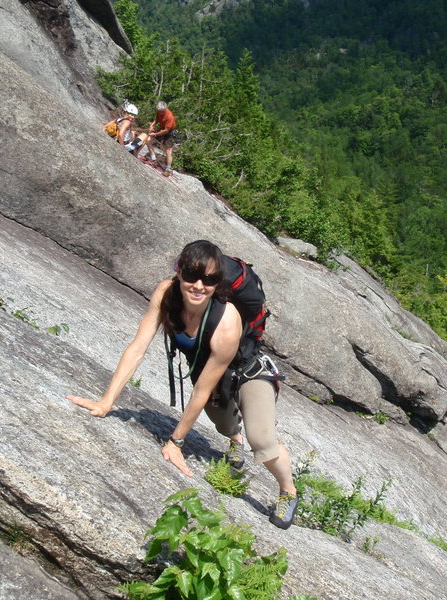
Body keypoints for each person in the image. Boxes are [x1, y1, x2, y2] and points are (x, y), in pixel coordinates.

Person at [67, 240, 298, 529]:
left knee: (262, 439)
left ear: (218, 282)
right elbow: (137, 348)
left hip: (248, 372)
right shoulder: (166, 294)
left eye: (210, 279)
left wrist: (176, 442)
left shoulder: (226, 322)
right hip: (209, 368)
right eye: (191, 275)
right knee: (224, 425)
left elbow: (201, 391)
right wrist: (106, 401)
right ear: (179, 271)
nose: (199, 285)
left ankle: (288, 490)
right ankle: (233, 440)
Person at [141, 100, 177, 174]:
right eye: (159, 111)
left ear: (165, 109)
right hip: (162, 129)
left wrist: (155, 134)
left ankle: (168, 168)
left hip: (169, 133)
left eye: (162, 111)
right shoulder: (159, 112)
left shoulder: (169, 117)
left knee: (168, 151)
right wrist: (151, 125)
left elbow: (166, 131)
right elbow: (156, 120)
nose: (160, 113)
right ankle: (153, 158)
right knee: (148, 140)